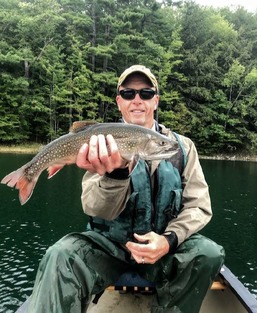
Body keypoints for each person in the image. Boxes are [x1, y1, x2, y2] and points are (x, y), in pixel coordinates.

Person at [27, 65, 225, 313]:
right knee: (59, 255)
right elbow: (93, 206)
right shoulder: (101, 142)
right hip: (110, 248)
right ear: (119, 102)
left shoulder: (182, 147)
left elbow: (199, 206)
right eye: (129, 94)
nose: (137, 100)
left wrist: (168, 240)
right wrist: (115, 175)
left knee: (208, 254)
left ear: (156, 100)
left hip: (164, 248)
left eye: (146, 93)